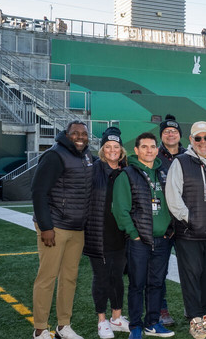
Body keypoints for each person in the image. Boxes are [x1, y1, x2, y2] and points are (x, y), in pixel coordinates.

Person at [165, 121, 206, 339]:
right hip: (190, 232)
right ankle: (194, 321)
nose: (203, 142)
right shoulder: (181, 162)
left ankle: (204, 316)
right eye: (198, 138)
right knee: (191, 276)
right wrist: (189, 218)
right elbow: (173, 196)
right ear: (191, 140)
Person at [31, 121, 94, 339]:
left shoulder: (87, 156)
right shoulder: (54, 155)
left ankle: (63, 326)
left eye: (84, 134)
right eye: (75, 133)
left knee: (69, 278)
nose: (80, 137)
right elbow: (38, 192)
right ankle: (39, 329)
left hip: (77, 228)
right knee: (47, 278)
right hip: (55, 226)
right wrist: (46, 227)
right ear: (66, 135)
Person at [111, 132, 175, 339]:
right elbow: (120, 210)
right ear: (136, 150)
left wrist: (169, 230)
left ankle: (153, 323)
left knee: (157, 283)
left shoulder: (164, 172)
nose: (149, 150)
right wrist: (134, 235)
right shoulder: (127, 175)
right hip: (139, 240)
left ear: (157, 149)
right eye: (144, 147)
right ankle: (136, 325)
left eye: (152, 146)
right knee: (137, 284)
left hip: (162, 239)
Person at [84, 127, 129, 339]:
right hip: (98, 233)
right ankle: (102, 321)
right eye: (108, 147)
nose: (112, 150)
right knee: (101, 278)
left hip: (120, 234)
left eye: (116, 147)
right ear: (102, 149)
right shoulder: (93, 169)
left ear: (121, 150)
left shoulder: (126, 170)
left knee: (117, 278)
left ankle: (117, 317)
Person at [156, 114, 184, 327]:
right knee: (159, 270)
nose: (171, 134)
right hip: (163, 224)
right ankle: (160, 309)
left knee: (191, 269)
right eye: (166, 131)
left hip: (185, 223)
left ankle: (192, 307)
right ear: (161, 135)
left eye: (174, 131)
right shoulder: (154, 155)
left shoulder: (189, 155)